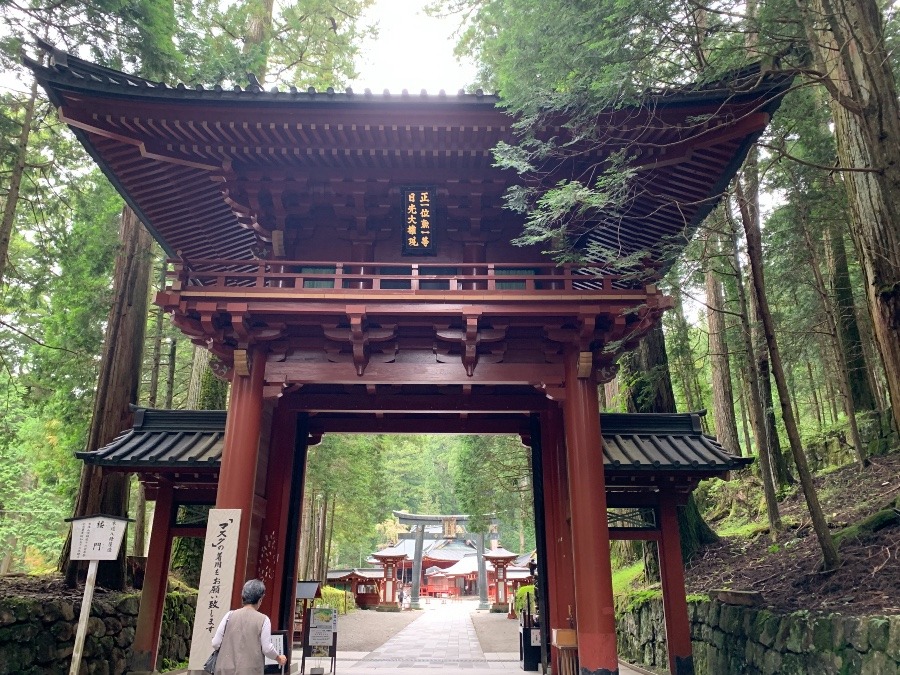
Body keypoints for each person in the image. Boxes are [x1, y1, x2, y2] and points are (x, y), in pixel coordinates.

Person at [211, 579, 288, 674]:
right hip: (251, 670)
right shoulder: (264, 620)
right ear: (260, 599)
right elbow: (267, 648)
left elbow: (215, 643)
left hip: (224, 669)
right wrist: (278, 658)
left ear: (243, 596)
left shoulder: (229, 615)